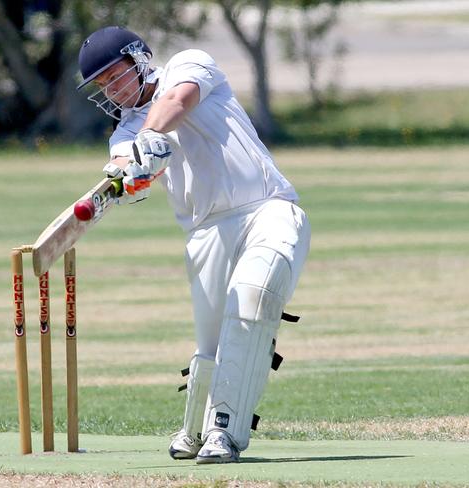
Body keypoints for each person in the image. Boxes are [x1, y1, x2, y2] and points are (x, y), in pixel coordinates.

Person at [77, 26, 311, 464]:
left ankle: (225, 433)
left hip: (267, 208)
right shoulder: (124, 131)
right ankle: (196, 429)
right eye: (103, 85)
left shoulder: (188, 63)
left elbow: (177, 102)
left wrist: (152, 138)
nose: (112, 90)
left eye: (115, 76)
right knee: (211, 344)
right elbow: (130, 167)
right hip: (205, 233)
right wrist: (132, 172)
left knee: (253, 303)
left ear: (138, 59)